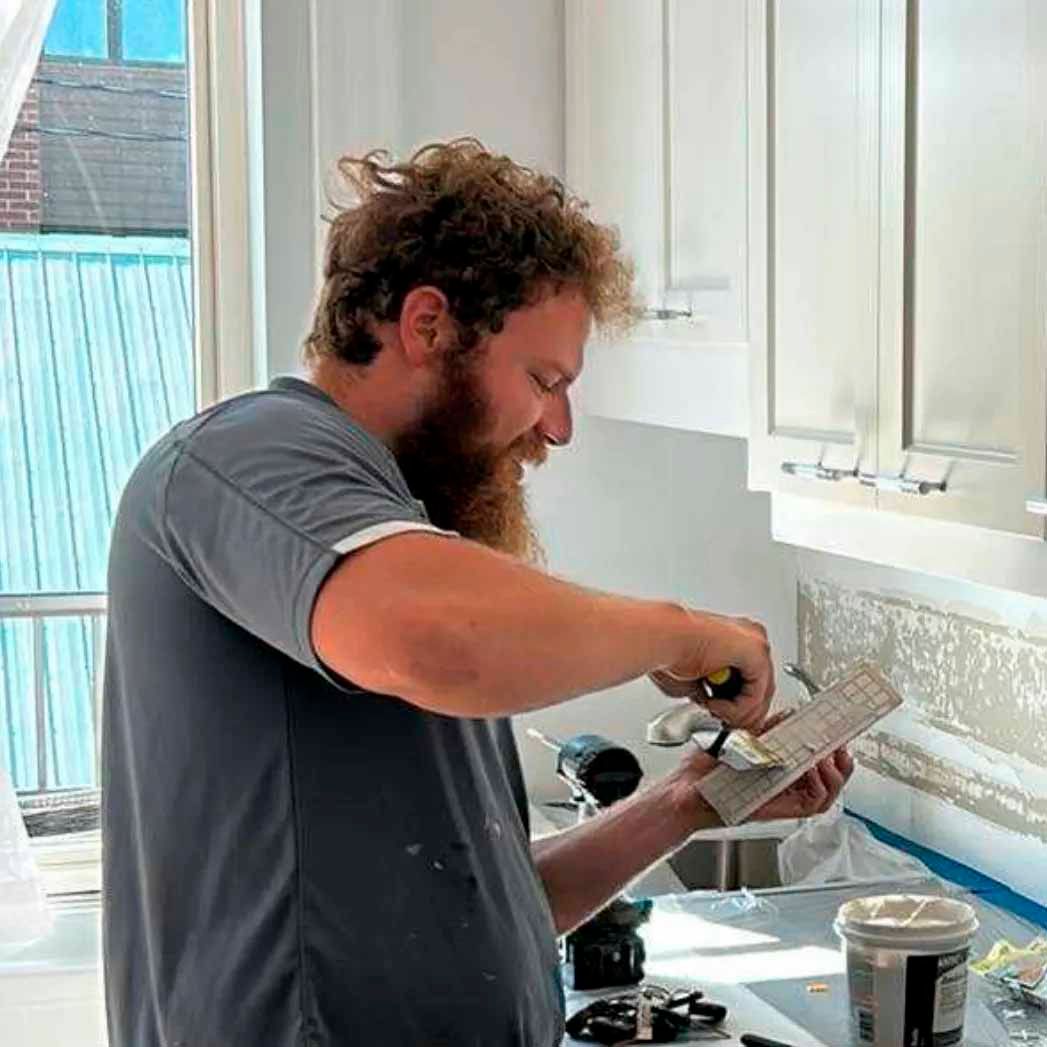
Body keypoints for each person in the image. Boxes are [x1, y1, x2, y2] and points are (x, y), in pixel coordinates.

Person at [102, 139, 852, 1047]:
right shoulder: (247, 458)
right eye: (543, 380)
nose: (558, 427)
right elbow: (440, 637)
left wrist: (686, 802)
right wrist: (682, 634)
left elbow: (492, 911)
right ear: (428, 325)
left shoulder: (396, 547)